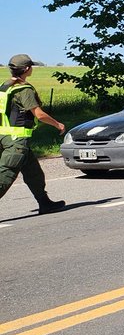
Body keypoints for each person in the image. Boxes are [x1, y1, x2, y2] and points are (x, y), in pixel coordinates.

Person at [0, 54, 68, 215]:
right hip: (16, 141)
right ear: (28, 69)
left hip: (5, 137)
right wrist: (58, 124)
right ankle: (44, 203)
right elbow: (39, 114)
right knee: (5, 175)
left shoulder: (5, 86)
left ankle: (45, 203)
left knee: (34, 173)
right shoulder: (24, 90)